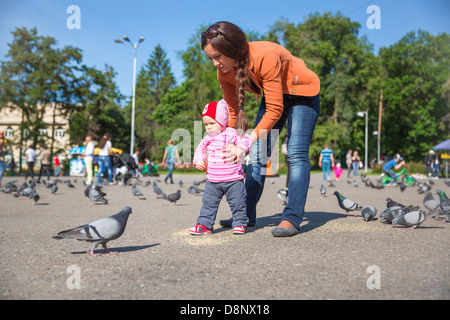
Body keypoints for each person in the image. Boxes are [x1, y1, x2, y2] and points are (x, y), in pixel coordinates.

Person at [201, 21, 320, 237]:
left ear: (232, 50)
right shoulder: (224, 73)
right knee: (256, 155)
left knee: (295, 153)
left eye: (218, 57)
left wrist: (244, 143)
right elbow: (233, 114)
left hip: (302, 92)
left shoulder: (265, 55)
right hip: (275, 95)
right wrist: (227, 144)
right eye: (210, 58)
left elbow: (274, 110)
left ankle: (291, 217)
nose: (215, 63)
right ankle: (245, 215)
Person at [189, 100, 252, 235]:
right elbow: (199, 150)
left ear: (223, 120)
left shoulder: (231, 133)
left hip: (233, 179)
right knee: (208, 204)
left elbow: (246, 139)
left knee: (238, 203)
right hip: (213, 180)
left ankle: (240, 223)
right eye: (206, 124)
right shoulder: (207, 139)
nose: (209, 127)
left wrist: (239, 149)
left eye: (212, 123)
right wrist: (198, 160)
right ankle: (204, 225)